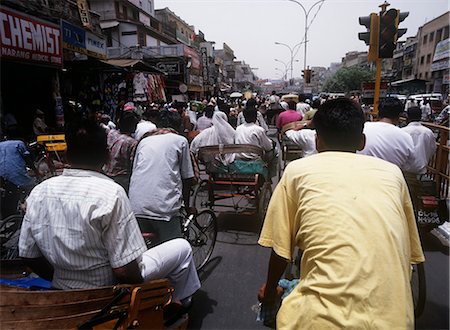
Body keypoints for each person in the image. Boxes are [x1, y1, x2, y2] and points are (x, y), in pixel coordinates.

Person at [258, 98, 424, 329]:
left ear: (317, 141)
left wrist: (268, 294)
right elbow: (408, 257)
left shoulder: (297, 172)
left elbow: (280, 251)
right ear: (362, 141)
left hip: (315, 321)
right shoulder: (393, 175)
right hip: (394, 321)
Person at [18, 119, 200, 304]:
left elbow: (28, 255)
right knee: (183, 248)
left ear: (66, 155)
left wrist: (63, 277)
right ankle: (178, 306)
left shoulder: (39, 191)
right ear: (107, 157)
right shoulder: (111, 193)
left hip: (62, 283)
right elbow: (124, 271)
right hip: (106, 287)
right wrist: (142, 286)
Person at [129, 110, 195, 246]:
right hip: (164, 209)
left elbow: (134, 171)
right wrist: (188, 207)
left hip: (135, 207)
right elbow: (187, 178)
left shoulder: (144, 141)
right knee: (174, 251)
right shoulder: (180, 141)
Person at [359, 97, 418, 173]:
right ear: (399, 116)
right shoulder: (405, 137)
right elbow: (409, 166)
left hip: (361, 175)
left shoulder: (363, 128)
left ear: (378, 113)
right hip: (390, 180)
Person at [402, 106, 437, 209]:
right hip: (421, 174)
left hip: (405, 173)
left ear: (407, 117)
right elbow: (432, 150)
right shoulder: (428, 132)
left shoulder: (403, 131)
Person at [103, 111, 139, 193]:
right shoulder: (132, 142)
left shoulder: (111, 133)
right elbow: (132, 163)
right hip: (121, 177)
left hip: (106, 173)